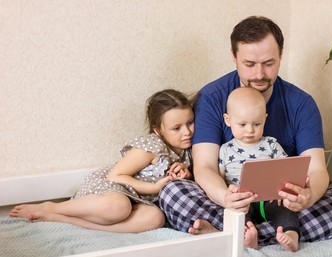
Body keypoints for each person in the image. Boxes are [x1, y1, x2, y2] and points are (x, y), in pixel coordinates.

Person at [159, 16, 332, 246]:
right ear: (234, 57)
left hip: (280, 205)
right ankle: (267, 234)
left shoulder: (302, 104)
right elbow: (204, 168)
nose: (259, 74)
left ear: (281, 55)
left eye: (268, 63)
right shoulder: (211, 98)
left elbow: (317, 170)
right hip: (227, 202)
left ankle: (228, 236)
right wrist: (226, 198)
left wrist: (308, 196)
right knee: (172, 192)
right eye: (249, 64)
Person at [9, 89, 194, 233]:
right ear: (158, 131)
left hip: (138, 201)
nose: (187, 132)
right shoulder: (153, 146)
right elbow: (116, 175)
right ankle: (53, 207)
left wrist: (187, 174)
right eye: (176, 128)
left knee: (156, 218)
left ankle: (66, 220)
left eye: (190, 123)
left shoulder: (189, 152)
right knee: (118, 208)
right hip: (110, 187)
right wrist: (154, 188)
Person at [219, 87, 299, 251]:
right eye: (242, 124)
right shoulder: (225, 150)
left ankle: (291, 236)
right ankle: (248, 239)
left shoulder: (270, 144)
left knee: (285, 209)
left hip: (269, 199)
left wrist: (283, 190)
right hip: (242, 201)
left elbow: (286, 169)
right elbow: (220, 179)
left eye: (257, 124)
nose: (250, 130)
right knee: (235, 215)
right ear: (228, 120)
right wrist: (228, 196)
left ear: (265, 119)